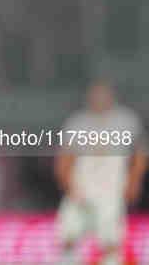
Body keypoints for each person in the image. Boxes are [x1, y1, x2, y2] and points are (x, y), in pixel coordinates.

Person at [54, 79, 147, 265]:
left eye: (103, 94)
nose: (99, 98)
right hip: (80, 189)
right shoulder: (78, 122)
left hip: (111, 190)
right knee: (67, 238)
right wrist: (68, 184)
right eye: (95, 94)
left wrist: (134, 181)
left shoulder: (126, 120)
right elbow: (64, 158)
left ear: (111, 96)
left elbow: (140, 154)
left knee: (111, 241)